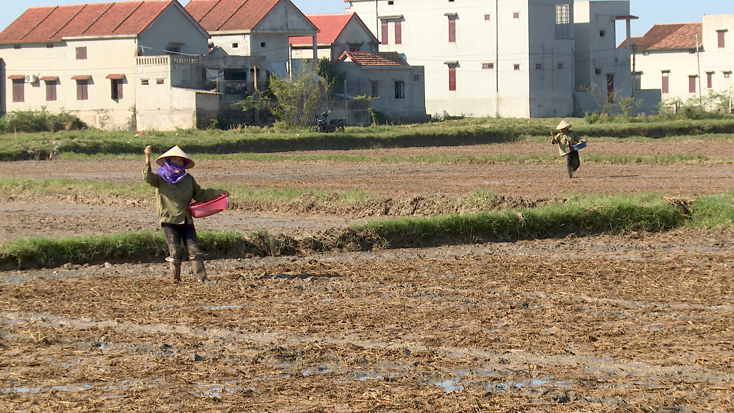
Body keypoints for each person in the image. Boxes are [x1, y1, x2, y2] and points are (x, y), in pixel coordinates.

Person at [143, 145, 229, 283]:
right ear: (169, 161)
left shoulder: (188, 179)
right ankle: (176, 278)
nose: (178, 163)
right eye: (175, 160)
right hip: (169, 219)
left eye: (181, 160)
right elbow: (148, 178)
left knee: (195, 250)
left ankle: (202, 278)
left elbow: (200, 194)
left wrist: (216, 193)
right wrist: (147, 157)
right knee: (175, 251)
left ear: (184, 163)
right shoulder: (160, 178)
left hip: (186, 219)